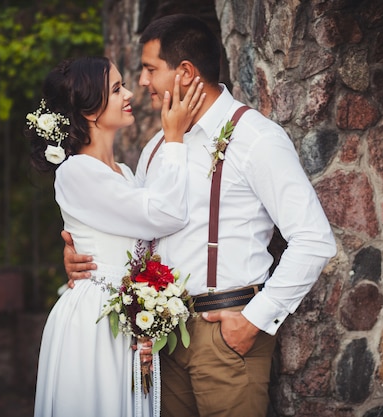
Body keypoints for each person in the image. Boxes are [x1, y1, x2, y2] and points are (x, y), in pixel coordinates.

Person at [63, 14, 337, 417]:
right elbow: (138, 232)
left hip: (226, 339)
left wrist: (253, 322)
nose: (142, 83)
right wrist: (81, 255)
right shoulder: (158, 146)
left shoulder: (255, 138)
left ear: (186, 73)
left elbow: (314, 239)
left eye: (150, 70)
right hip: (165, 343)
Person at [28, 55, 205, 417]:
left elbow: (143, 235)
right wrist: (174, 139)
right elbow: (165, 215)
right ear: (90, 111)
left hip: (124, 316)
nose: (128, 94)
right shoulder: (75, 171)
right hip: (94, 322)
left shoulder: (124, 171)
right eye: (115, 88)